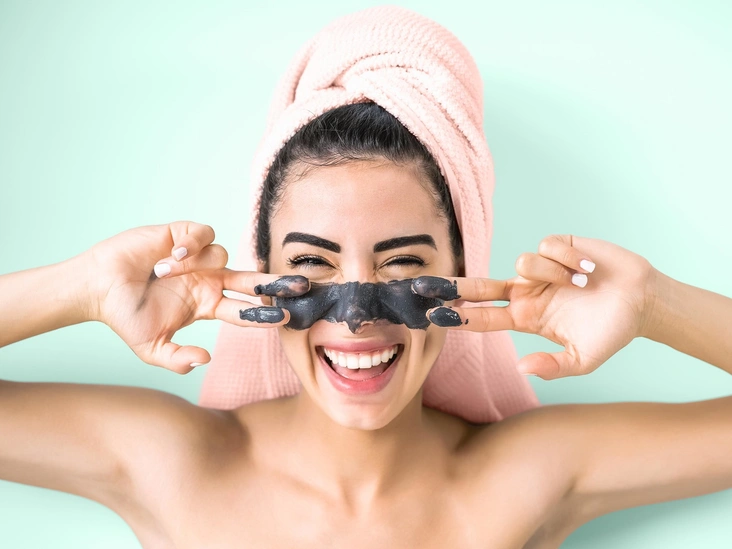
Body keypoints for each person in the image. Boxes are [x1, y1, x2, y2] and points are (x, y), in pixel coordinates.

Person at [3, 7, 732, 549]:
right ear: (260, 276)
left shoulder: (526, 474)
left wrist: (654, 304)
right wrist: (84, 287)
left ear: (462, 271)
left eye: (404, 264)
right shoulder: (173, 464)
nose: (356, 317)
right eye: (312, 264)